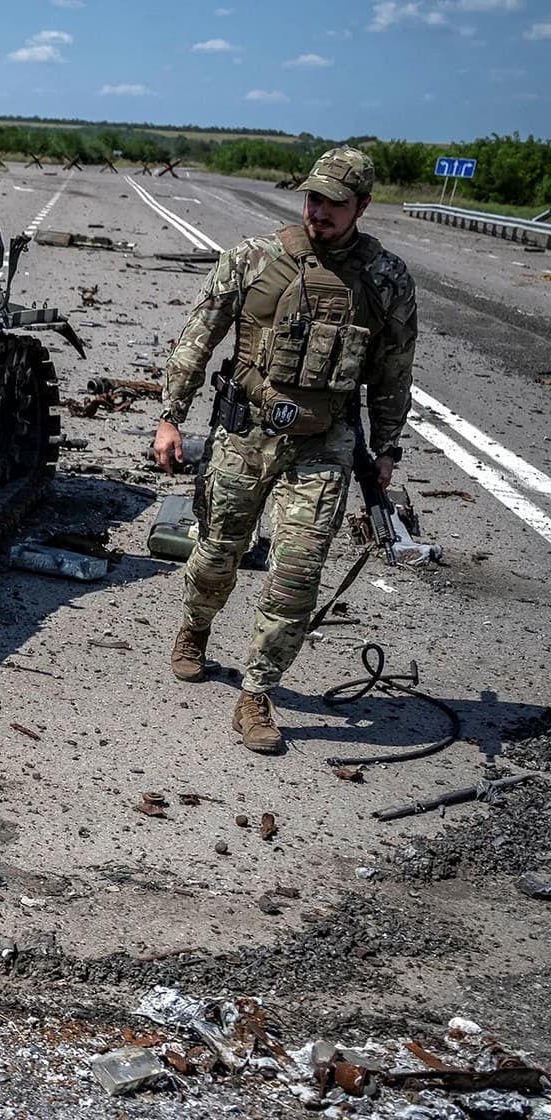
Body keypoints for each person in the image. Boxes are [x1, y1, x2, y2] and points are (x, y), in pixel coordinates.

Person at [150, 146, 417, 753]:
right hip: (244, 436)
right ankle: (194, 630)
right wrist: (170, 417)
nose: (318, 211)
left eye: (334, 203)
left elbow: (394, 370)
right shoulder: (253, 259)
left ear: (363, 207)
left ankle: (256, 695)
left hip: (323, 444)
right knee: (219, 552)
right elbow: (199, 334)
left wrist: (387, 447)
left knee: (296, 575)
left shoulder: (385, 279)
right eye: (313, 198)